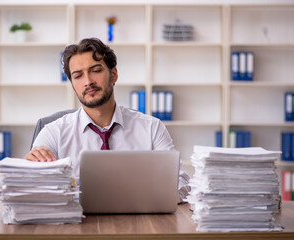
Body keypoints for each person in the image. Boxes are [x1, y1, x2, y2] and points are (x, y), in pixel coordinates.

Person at [25, 38, 190, 202]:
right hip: (76, 224)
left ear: (113, 74)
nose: (88, 82)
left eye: (96, 70)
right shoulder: (52, 133)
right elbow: (31, 191)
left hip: (138, 222)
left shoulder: (151, 128)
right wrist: (33, 171)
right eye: (78, 76)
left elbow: (181, 184)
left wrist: (139, 195)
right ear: (73, 85)